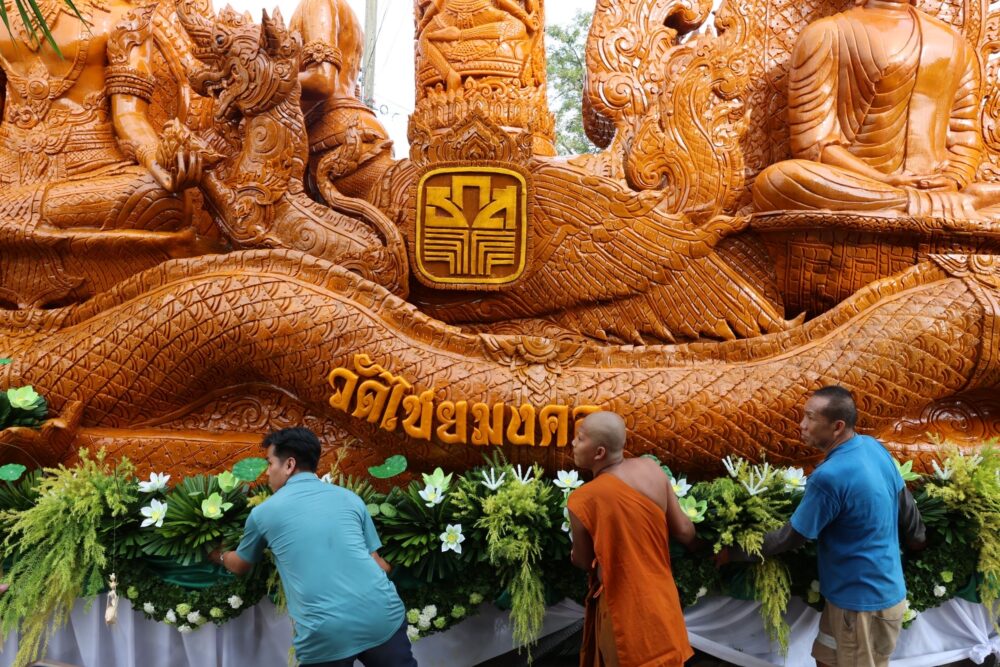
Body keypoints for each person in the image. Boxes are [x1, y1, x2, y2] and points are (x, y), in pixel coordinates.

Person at [718, 386, 926, 667]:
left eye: (811, 418)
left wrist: (732, 553)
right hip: (866, 597)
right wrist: (918, 540)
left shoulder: (828, 477)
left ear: (837, 426)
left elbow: (790, 537)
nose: (802, 425)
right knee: (825, 659)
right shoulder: (873, 447)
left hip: (860, 606)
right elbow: (906, 503)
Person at [751, 0, 1000, 219]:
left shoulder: (953, 44)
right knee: (777, 181)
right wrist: (883, 180)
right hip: (858, 183)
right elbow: (813, 145)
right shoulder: (826, 34)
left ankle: (934, 202)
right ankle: (939, 205)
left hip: (933, 185)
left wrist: (953, 179)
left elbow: (963, 135)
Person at [210, 427, 416, 667]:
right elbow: (379, 564)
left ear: (289, 465)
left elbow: (240, 564)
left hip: (325, 632)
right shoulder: (350, 498)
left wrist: (217, 555)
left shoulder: (264, 513)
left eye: (270, 463)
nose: (267, 472)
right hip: (382, 615)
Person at [566, 411, 697, 667]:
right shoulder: (651, 469)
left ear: (599, 452)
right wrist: (705, 548)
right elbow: (684, 530)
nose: (573, 443)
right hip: (662, 601)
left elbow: (582, 560)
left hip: (624, 610)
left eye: (580, 438)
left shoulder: (583, 499)